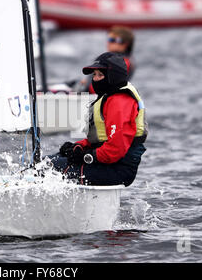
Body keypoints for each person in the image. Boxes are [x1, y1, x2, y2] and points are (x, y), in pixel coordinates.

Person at [48, 52, 147, 186]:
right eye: (94, 75)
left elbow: (115, 150)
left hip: (118, 169)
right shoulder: (110, 97)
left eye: (100, 75)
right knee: (48, 161)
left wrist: (85, 156)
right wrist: (79, 146)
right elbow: (102, 138)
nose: (95, 79)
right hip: (107, 163)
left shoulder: (119, 102)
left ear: (114, 77)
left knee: (51, 168)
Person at [76, 26, 136, 93]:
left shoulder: (122, 62)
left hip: (93, 96)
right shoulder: (121, 59)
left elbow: (103, 86)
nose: (108, 42)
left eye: (112, 40)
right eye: (109, 39)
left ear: (125, 44)